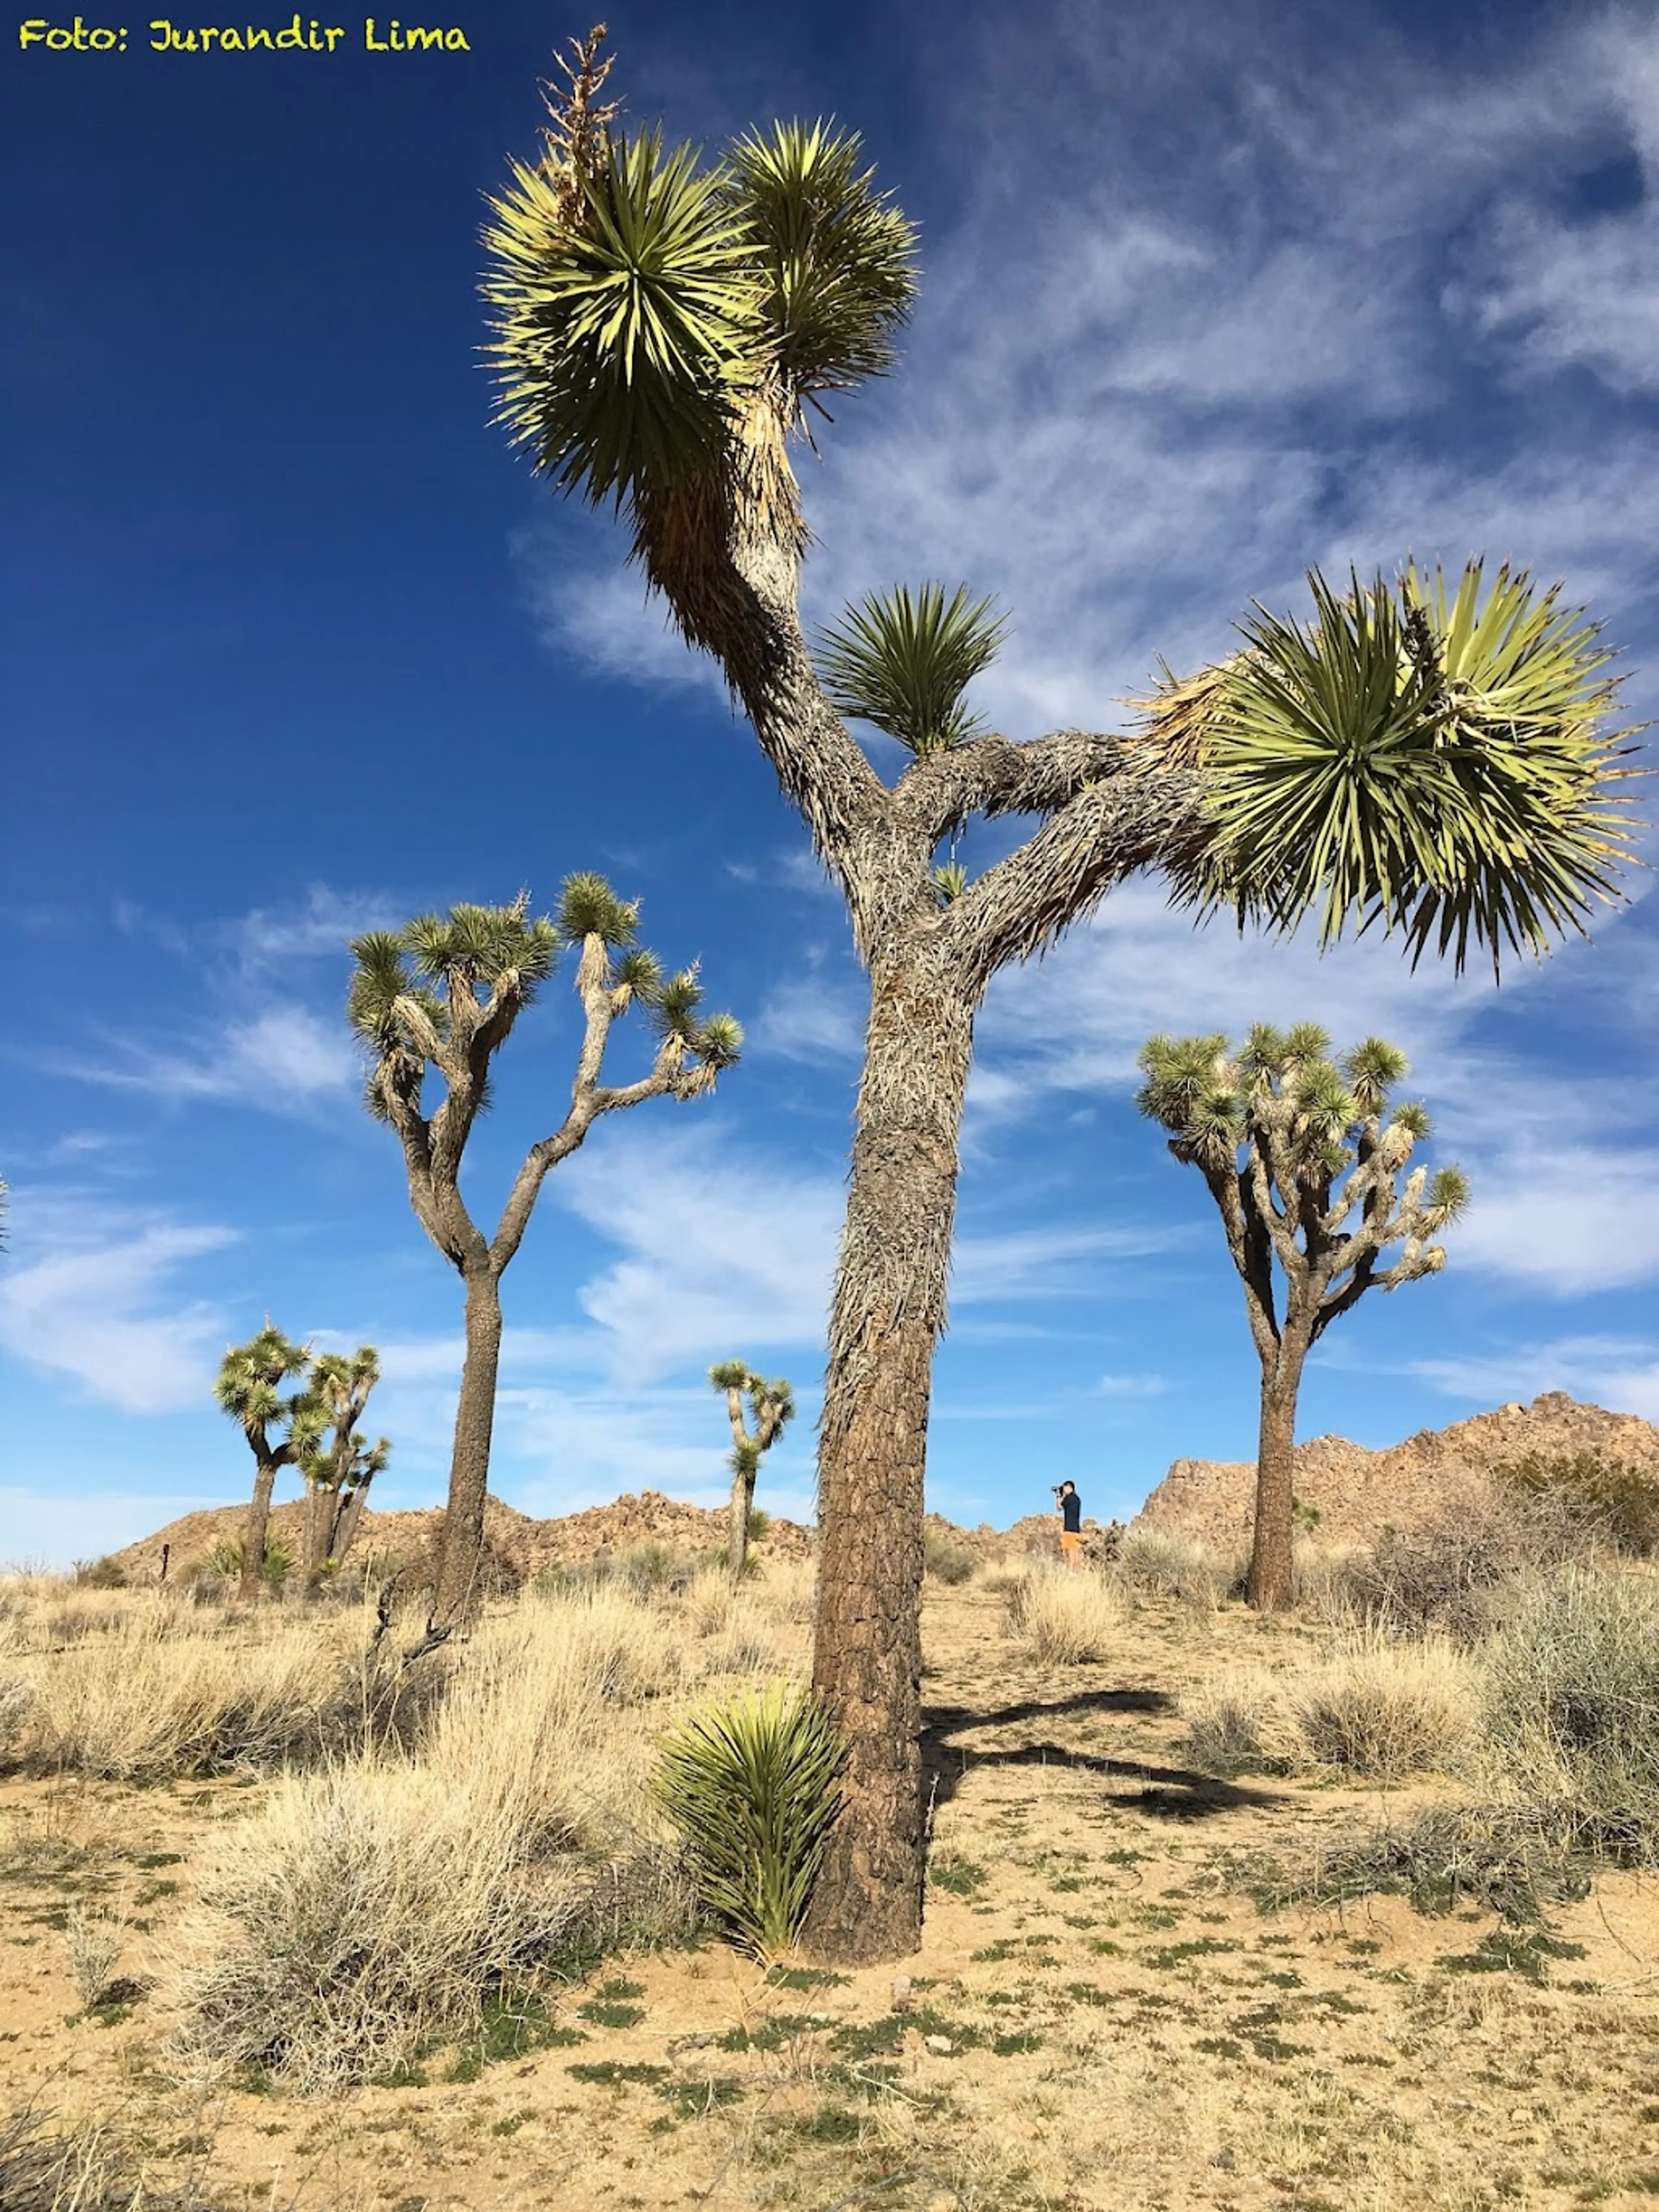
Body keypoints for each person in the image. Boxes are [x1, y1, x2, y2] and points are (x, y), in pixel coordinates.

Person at [1055, 1480, 1083, 1569]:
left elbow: (1059, 1507)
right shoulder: (1077, 1499)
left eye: (1064, 1488)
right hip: (1077, 1529)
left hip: (1069, 1529)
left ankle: (1071, 1570)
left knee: (1070, 1550)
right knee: (1076, 1551)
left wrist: (1059, 1496)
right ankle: (1076, 1570)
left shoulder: (1069, 1499)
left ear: (1069, 1487)